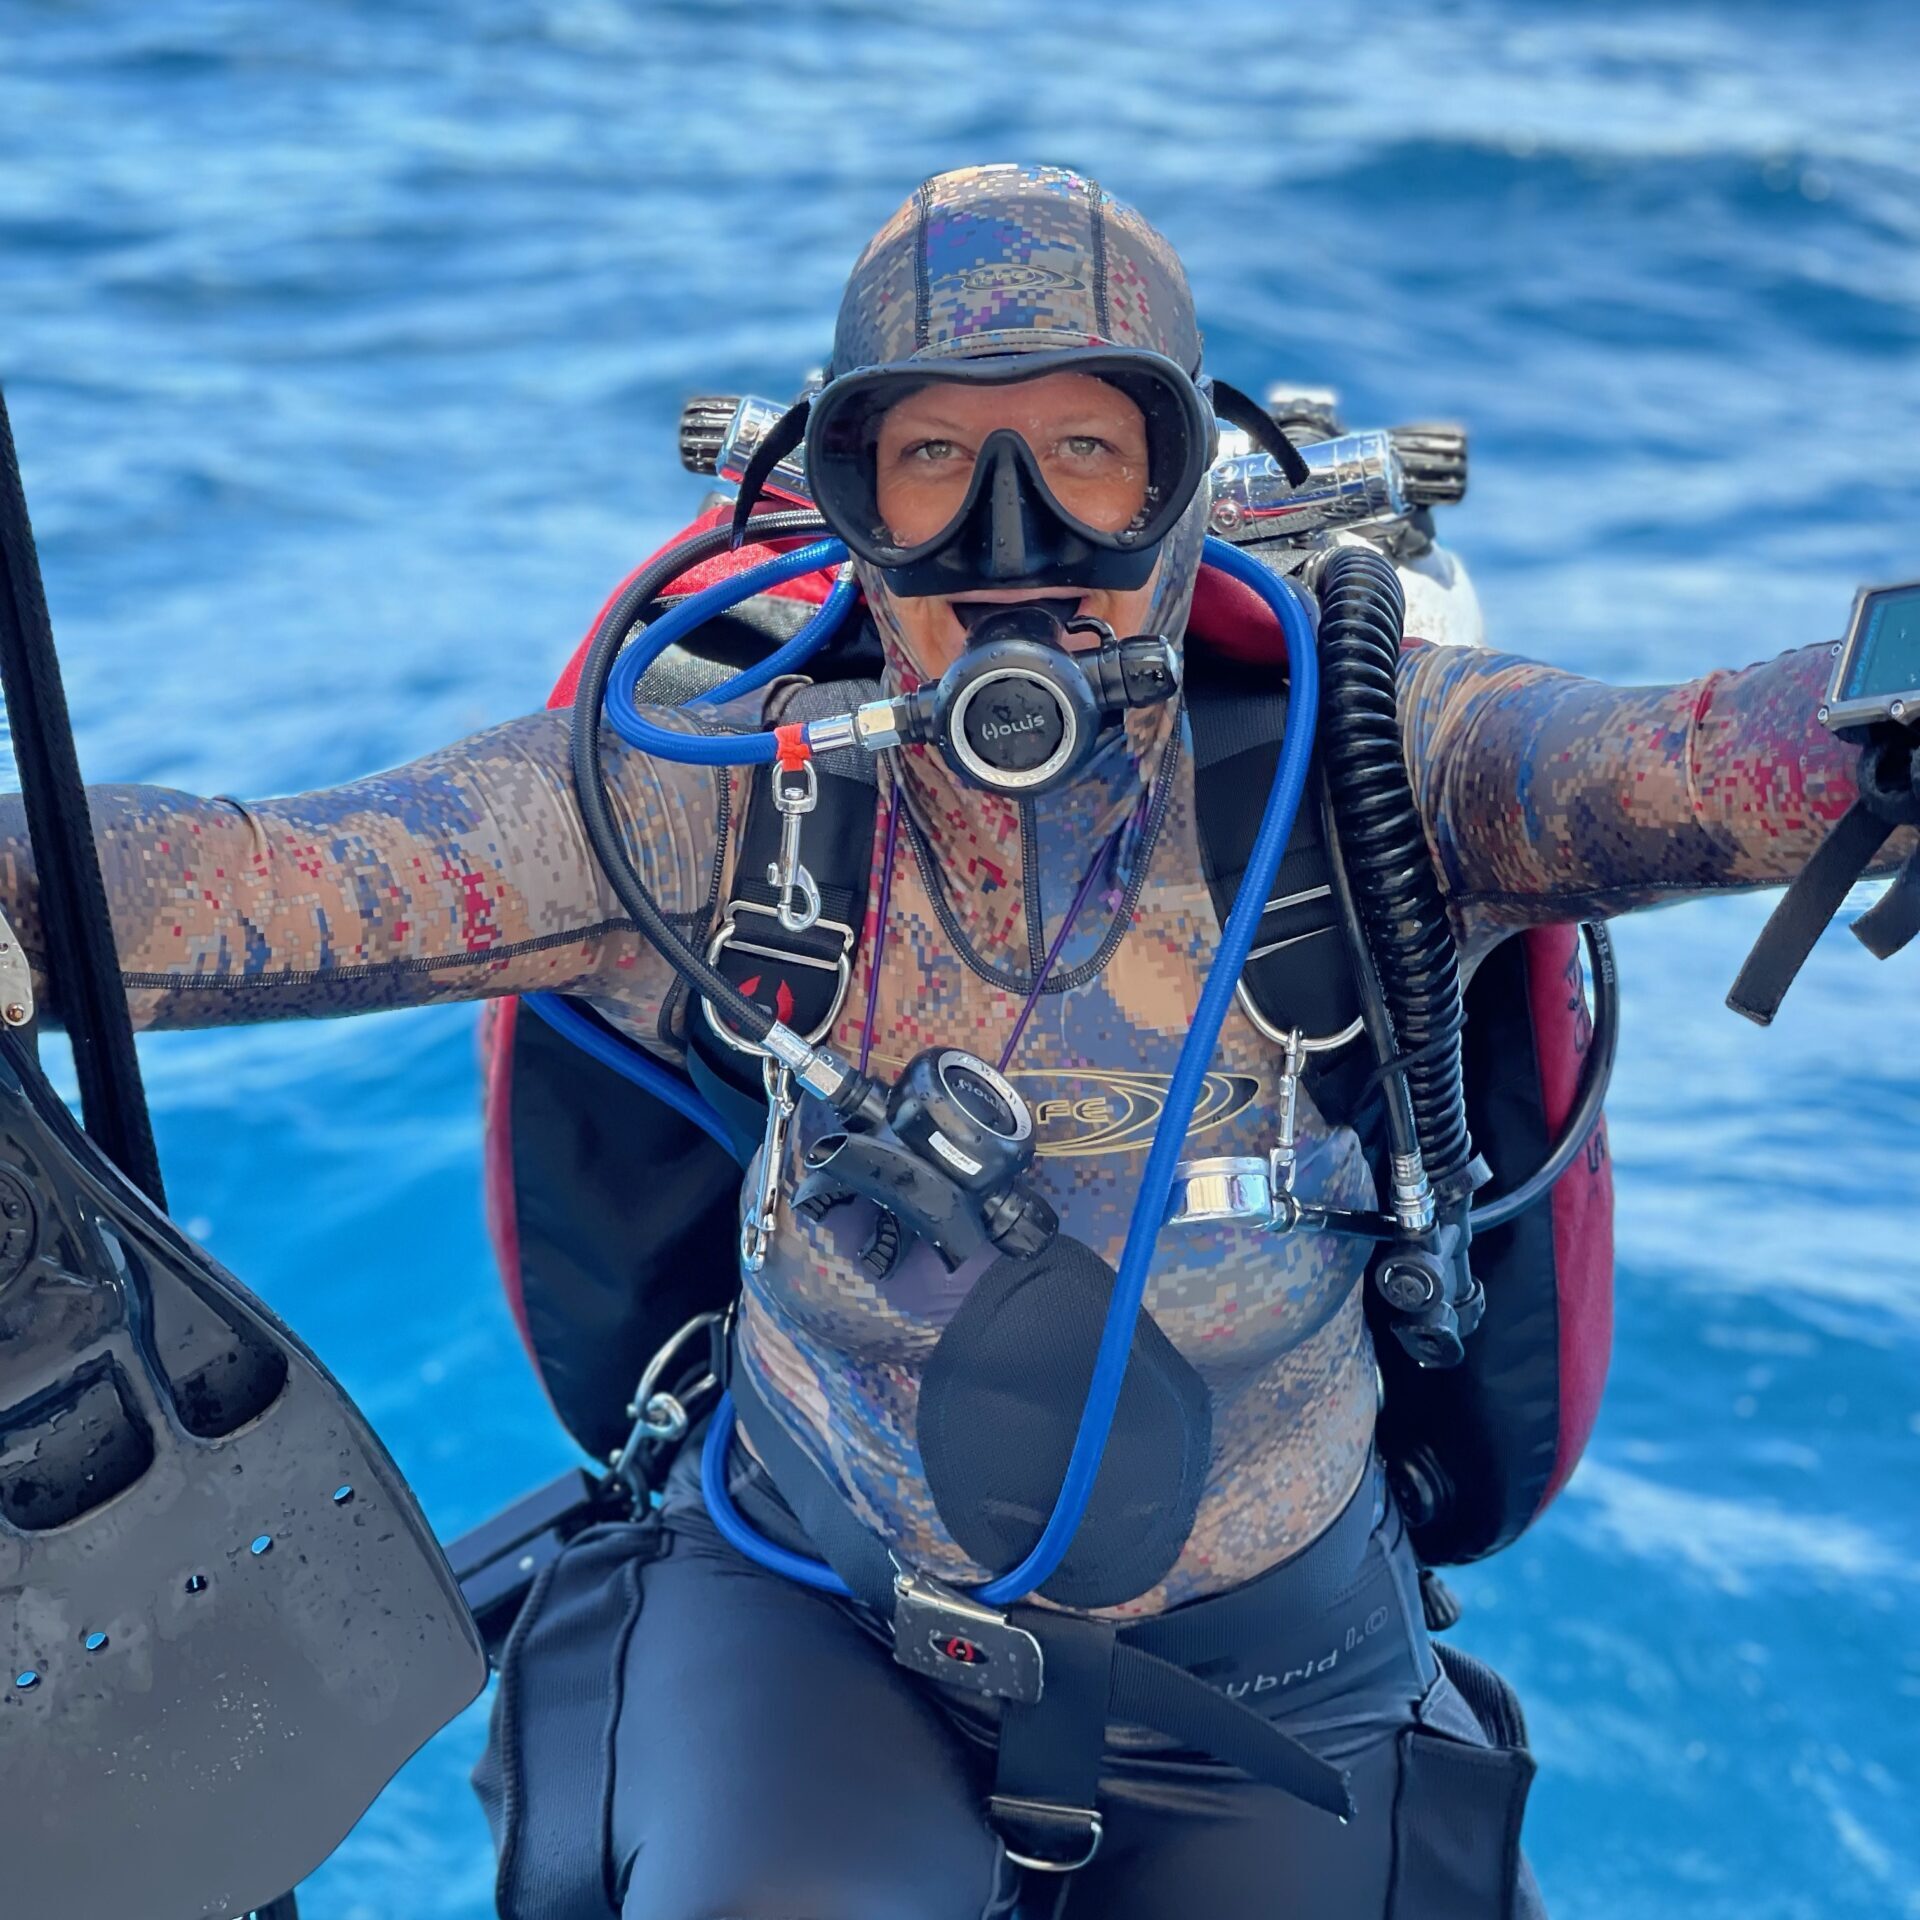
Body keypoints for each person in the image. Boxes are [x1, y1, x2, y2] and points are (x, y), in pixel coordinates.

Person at [0, 163, 1904, 1920]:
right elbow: (263, 879)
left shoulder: (1381, 768)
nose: (1014, 541)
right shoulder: (722, 801)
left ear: (1181, 481)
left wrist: (1872, 745)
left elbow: (1685, 760)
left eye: (1085, 454)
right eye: (935, 463)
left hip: (1279, 1660)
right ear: (847, 498)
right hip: (817, 1609)